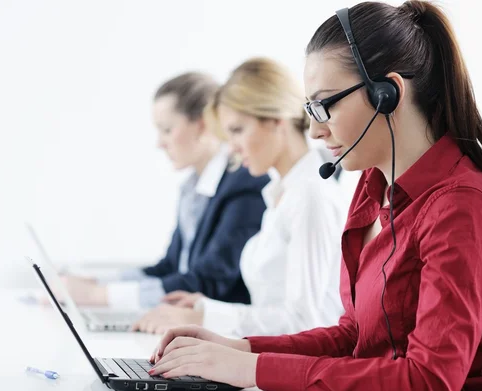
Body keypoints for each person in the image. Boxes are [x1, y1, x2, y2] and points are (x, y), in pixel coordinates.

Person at [144, 2, 482, 391]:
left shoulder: (461, 206)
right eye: (310, 109)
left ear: (387, 94)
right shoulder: (374, 185)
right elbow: (354, 335)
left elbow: (427, 382)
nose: (315, 130)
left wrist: (255, 369)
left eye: (326, 105)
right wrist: (241, 349)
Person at [131, 57, 346, 337]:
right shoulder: (280, 194)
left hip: (288, 371)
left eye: (236, 131)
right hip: (268, 360)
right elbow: (274, 307)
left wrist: (204, 316)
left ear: (275, 121)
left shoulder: (309, 197)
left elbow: (306, 323)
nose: (231, 148)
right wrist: (206, 307)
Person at [61, 72, 269, 309]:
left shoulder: (245, 185)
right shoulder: (193, 189)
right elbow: (170, 267)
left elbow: (211, 280)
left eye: (167, 130)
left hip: (223, 333)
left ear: (203, 124)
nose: (160, 143)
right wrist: (96, 283)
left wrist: (99, 296)